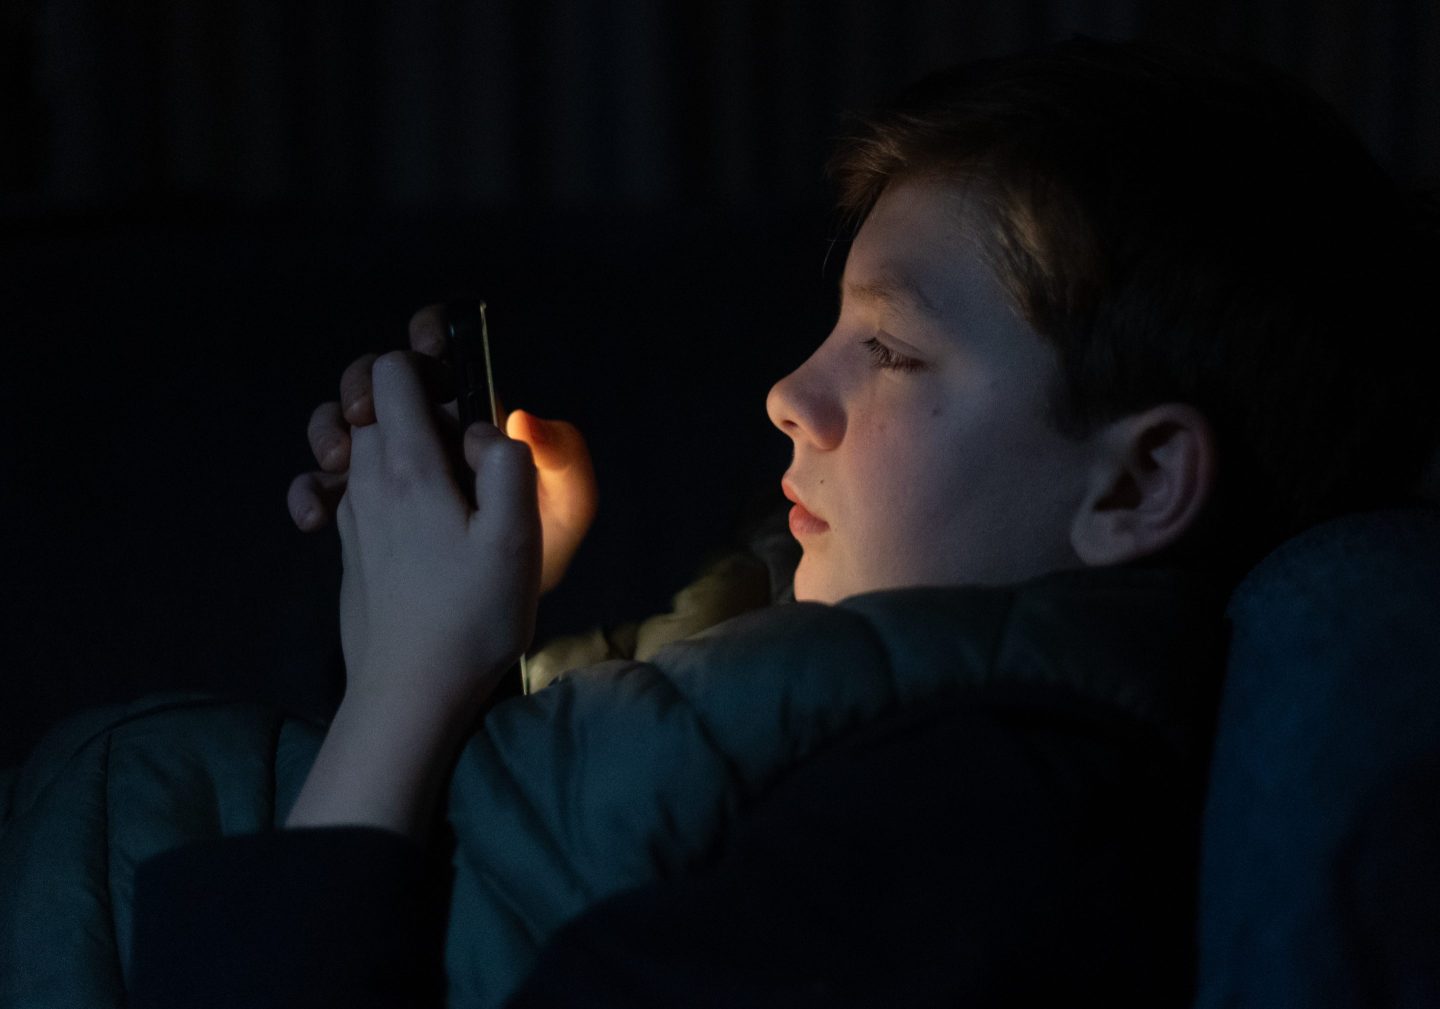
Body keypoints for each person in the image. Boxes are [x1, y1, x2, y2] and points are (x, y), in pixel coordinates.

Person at [4, 36, 1435, 1009]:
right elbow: (496, 907)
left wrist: (402, 688)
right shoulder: (833, 678)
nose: (786, 394)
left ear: (1134, 486)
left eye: (890, 350)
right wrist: (453, 635)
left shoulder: (980, 829)